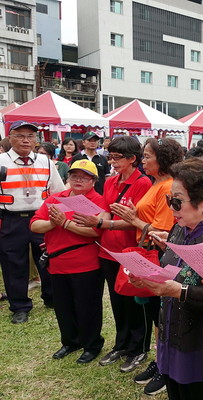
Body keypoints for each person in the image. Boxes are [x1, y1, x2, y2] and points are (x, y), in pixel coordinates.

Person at [129, 157, 203, 400]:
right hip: (171, 335)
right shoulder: (180, 229)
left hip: (200, 346)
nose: (171, 208)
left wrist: (176, 290)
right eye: (168, 200)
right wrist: (148, 279)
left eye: (176, 201)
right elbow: (173, 272)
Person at [72, 136, 153, 373]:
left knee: (135, 302)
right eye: (111, 156)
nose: (113, 161)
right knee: (117, 301)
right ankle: (122, 344)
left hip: (131, 251)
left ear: (132, 159)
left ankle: (139, 348)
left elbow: (137, 223)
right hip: (108, 251)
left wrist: (100, 223)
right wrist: (99, 221)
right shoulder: (110, 182)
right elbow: (106, 213)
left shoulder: (143, 184)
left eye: (117, 157)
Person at [111, 137, 184, 395]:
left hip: (157, 254)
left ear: (161, 159)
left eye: (146, 156)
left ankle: (165, 366)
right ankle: (160, 361)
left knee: (160, 315)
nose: (143, 160)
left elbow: (165, 231)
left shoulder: (168, 187)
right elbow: (150, 218)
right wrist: (135, 214)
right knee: (155, 314)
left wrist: (134, 219)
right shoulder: (156, 185)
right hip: (147, 252)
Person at [30, 160, 106, 364]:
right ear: (67, 178)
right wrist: (52, 223)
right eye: (74, 176)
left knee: (87, 307)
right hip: (57, 263)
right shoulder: (56, 198)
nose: (78, 180)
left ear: (93, 181)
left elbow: (94, 232)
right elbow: (35, 225)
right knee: (63, 307)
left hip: (86, 264)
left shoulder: (98, 202)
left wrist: (65, 223)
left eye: (84, 177)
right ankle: (70, 341)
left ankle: (91, 344)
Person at [0, 121, 65, 324]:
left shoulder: (45, 162)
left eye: (30, 136)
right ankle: (19, 306)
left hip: (41, 218)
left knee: (47, 259)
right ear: (10, 138)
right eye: (20, 136)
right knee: (13, 264)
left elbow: (58, 191)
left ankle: (51, 298)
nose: (26, 140)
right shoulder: (1, 161)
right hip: (10, 219)